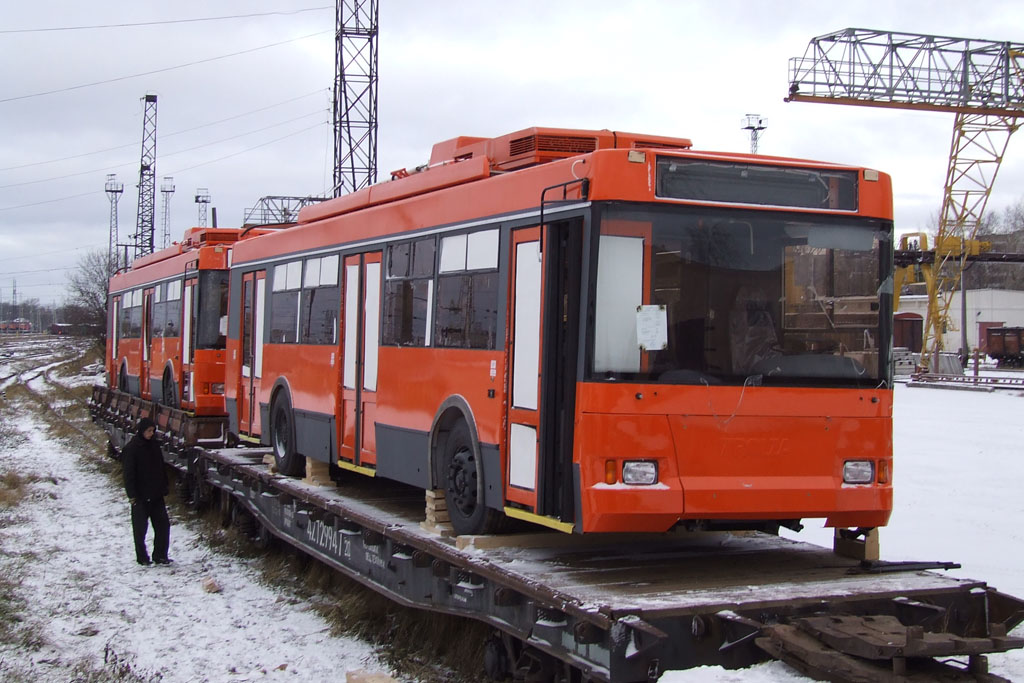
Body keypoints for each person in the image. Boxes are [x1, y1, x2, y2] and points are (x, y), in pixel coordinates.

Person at [122, 417, 171, 566]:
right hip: (140, 496)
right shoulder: (131, 449)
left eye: (153, 431)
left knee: (163, 526)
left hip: (156, 495)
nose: (151, 434)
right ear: (141, 431)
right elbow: (128, 474)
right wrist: (132, 495)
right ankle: (142, 557)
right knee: (140, 530)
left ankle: (160, 555)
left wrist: (164, 486)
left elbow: (161, 468)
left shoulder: (154, 446)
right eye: (149, 431)